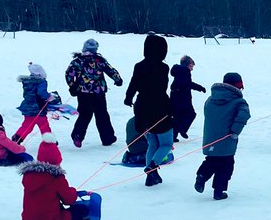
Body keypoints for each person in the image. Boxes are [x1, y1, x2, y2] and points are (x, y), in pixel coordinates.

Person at [18, 135, 101, 220]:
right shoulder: (56, 177)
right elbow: (69, 200)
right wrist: (73, 192)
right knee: (80, 210)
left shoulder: (29, 176)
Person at [122, 33, 173, 187]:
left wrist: (128, 97)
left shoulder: (139, 66)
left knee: (152, 144)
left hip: (142, 109)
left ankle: (151, 173)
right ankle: (152, 167)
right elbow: (162, 89)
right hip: (159, 108)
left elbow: (133, 83)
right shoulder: (164, 68)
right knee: (165, 144)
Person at [195, 72, 251, 200]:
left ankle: (202, 175)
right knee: (226, 165)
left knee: (212, 160)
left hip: (211, 139)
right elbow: (244, 115)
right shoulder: (239, 102)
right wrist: (235, 131)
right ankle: (218, 192)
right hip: (227, 139)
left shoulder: (210, 99)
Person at [65, 38, 122, 148]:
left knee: (84, 115)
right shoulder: (99, 60)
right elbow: (111, 70)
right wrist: (118, 79)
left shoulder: (78, 61)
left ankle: (77, 135)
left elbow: (69, 74)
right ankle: (107, 138)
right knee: (102, 115)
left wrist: (72, 86)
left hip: (83, 93)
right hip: (98, 92)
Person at [12, 62, 58, 142]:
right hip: (38, 108)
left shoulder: (26, 81)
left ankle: (17, 137)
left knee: (27, 125)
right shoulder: (41, 81)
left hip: (28, 107)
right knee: (44, 126)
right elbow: (41, 92)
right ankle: (50, 141)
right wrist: (49, 97)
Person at [170, 54, 206, 140]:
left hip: (175, 96)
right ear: (186, 65)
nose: (192, 68)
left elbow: (185, 83)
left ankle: (173, 136)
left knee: (177, 116)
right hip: (182, 98)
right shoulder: (185, 71)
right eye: (191, 66)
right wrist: (200, 88)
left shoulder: (179, 71)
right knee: (191, 114)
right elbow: (188, 84)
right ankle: (182, 129)